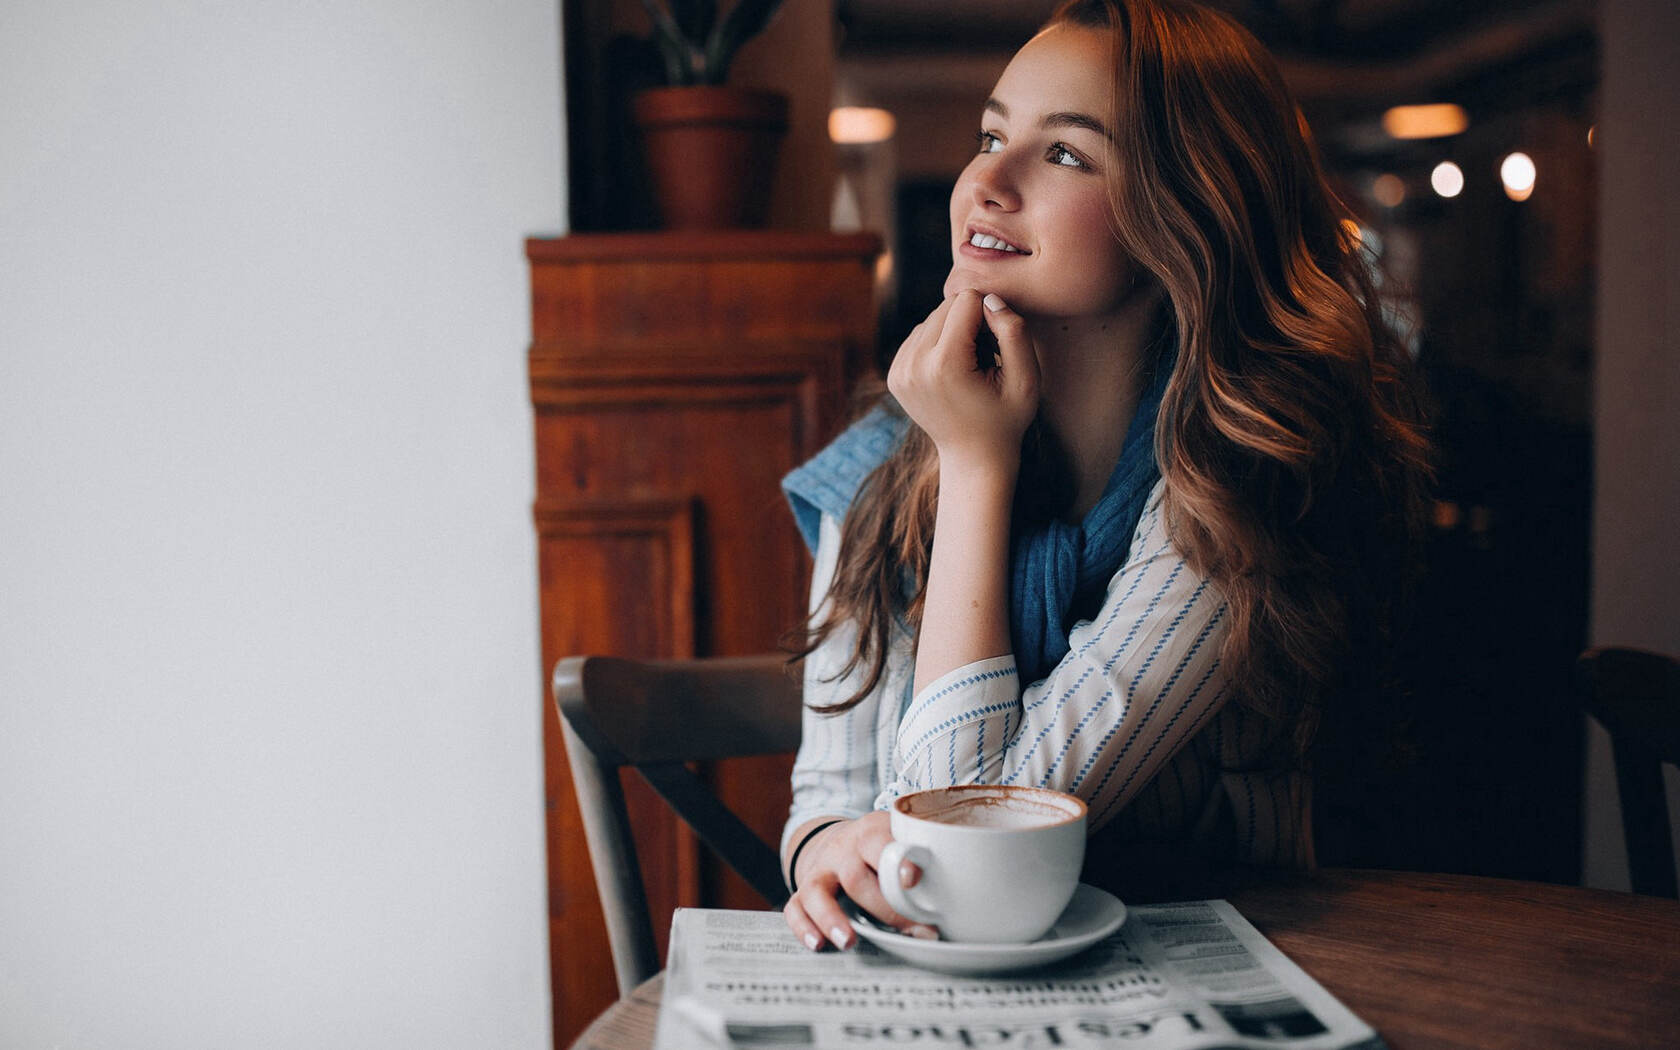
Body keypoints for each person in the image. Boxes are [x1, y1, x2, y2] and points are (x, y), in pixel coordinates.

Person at [778, 0, 1430, 952]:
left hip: (1211, 968)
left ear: (1188, 213)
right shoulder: (881, 465)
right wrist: (830, 853)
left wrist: (974, 464)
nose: (984, 182)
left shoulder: (1235, 480)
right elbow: (823, 803)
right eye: (990, 133)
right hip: (937, 988)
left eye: (1067, 154)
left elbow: (970, 854)